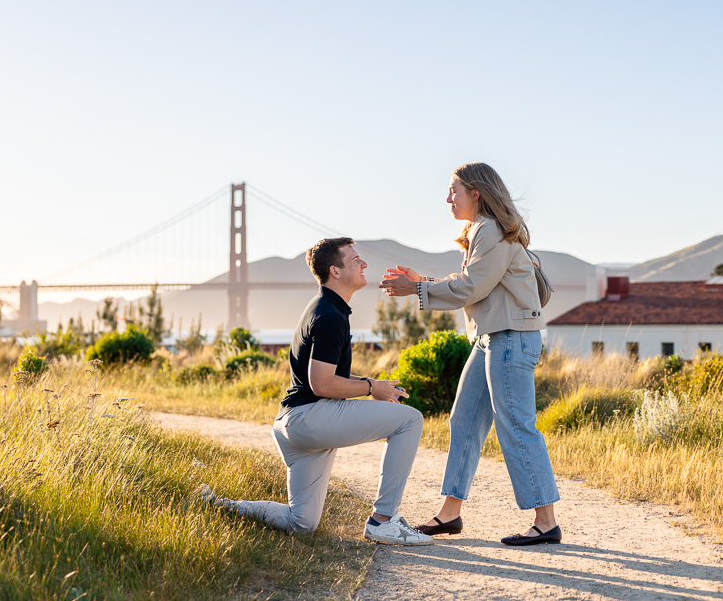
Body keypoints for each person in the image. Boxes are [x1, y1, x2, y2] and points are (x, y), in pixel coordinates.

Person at [198, 237, 432, 546]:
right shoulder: (330, 316)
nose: (364, 265)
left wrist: (373, 384)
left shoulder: (324, 307)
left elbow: (326, 375)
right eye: (356, 260)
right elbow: (322, 384)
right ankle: (384, 520)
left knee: (302, 523)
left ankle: (220, 505)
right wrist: (371, 387)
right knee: (410, 420)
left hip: (293, 424)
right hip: (311, 418)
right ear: (335, 271)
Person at [380, 162, 562, 546]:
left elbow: (472, 286)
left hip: (510, 338)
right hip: (492, 338)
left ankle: (546, 522)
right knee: (464, 421)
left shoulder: (491, 229)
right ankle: (449, 514)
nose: (448, 198)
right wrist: (423, 283)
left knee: (516, 425)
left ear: (475, 192)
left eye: (454, 190)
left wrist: (416, 291)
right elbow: (474, 282)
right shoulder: (483, 231)